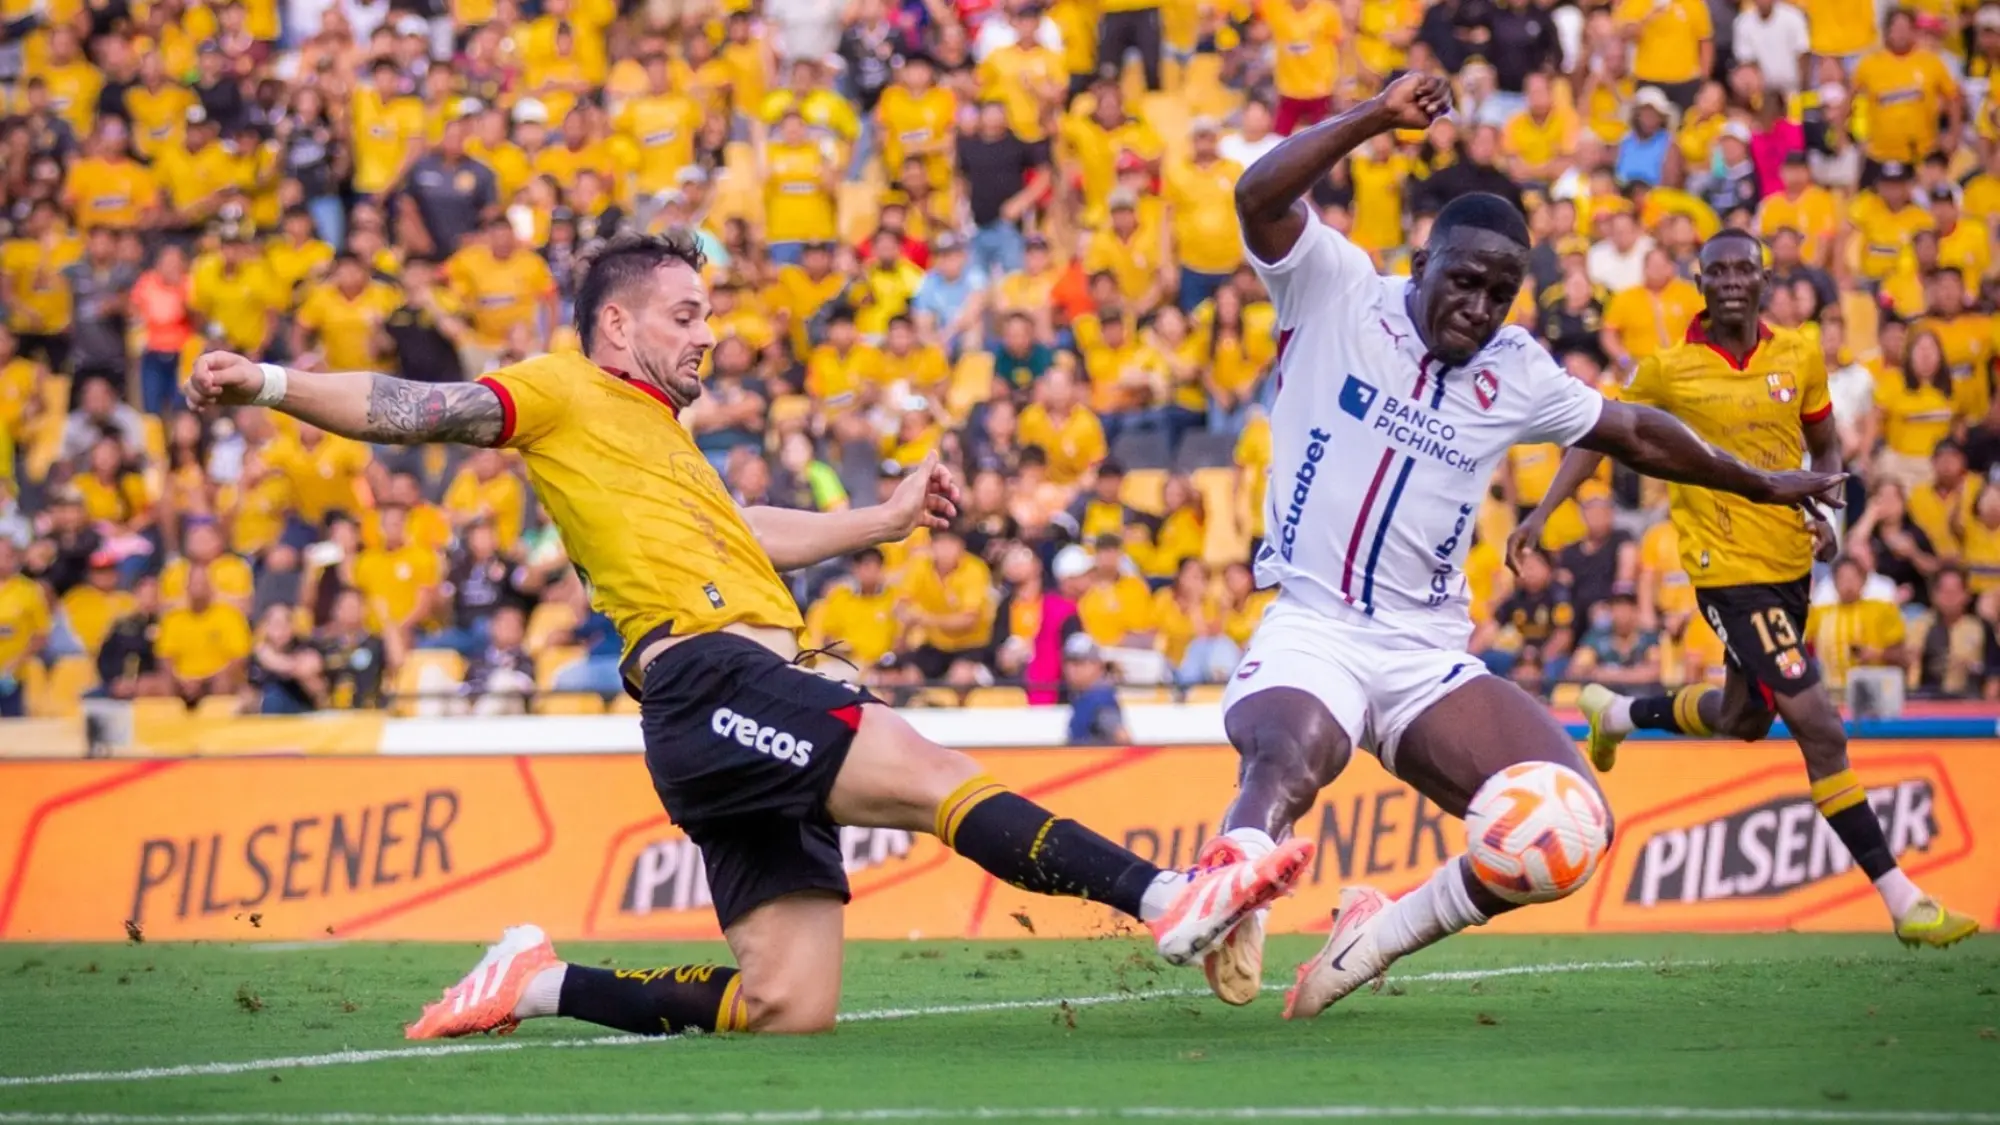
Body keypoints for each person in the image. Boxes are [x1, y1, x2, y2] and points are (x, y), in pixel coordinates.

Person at [184, 229, 1309, 1039]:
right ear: (616, 323)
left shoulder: (664, 441)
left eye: (709, 316)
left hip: (734, 705)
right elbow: (416, 408)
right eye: (686, 315)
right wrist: (272, 383)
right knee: (926, 770)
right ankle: (1169, 897)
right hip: (710, 678)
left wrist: (878, 521)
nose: (708, 335)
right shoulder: (563, 390)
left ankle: (538, 982)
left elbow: (748, 530)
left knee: (787, 1004)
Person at [1206, 73, 1847, 1020]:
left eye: (1500, 294)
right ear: (1421, 263)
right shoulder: (1334, 287)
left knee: (1575, 825)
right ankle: (1241, 876)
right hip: (1314, 622)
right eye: (1464, 281)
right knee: (1290, 755)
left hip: (1425, 654)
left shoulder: (1516, 369)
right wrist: (1376, 116)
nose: (1479, 306)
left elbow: (1636, 432)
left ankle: (1372, 935)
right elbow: (1257, 196)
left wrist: (1759, 480)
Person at [1518, 228, 1977, 951]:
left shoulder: (1799, 354)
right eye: (1719, 270)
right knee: (1819, 726)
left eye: (1744, 269)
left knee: (1745, 717)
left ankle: (1618, 714)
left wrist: (1829, 513)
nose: (1732, 280)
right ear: (1700, 282)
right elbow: (1598, 433)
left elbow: (1823, 444)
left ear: (1765, 280)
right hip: (1726, 572)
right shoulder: (1668, 370)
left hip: (1790, 564)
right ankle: (1904, 899)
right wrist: (1543, 512)